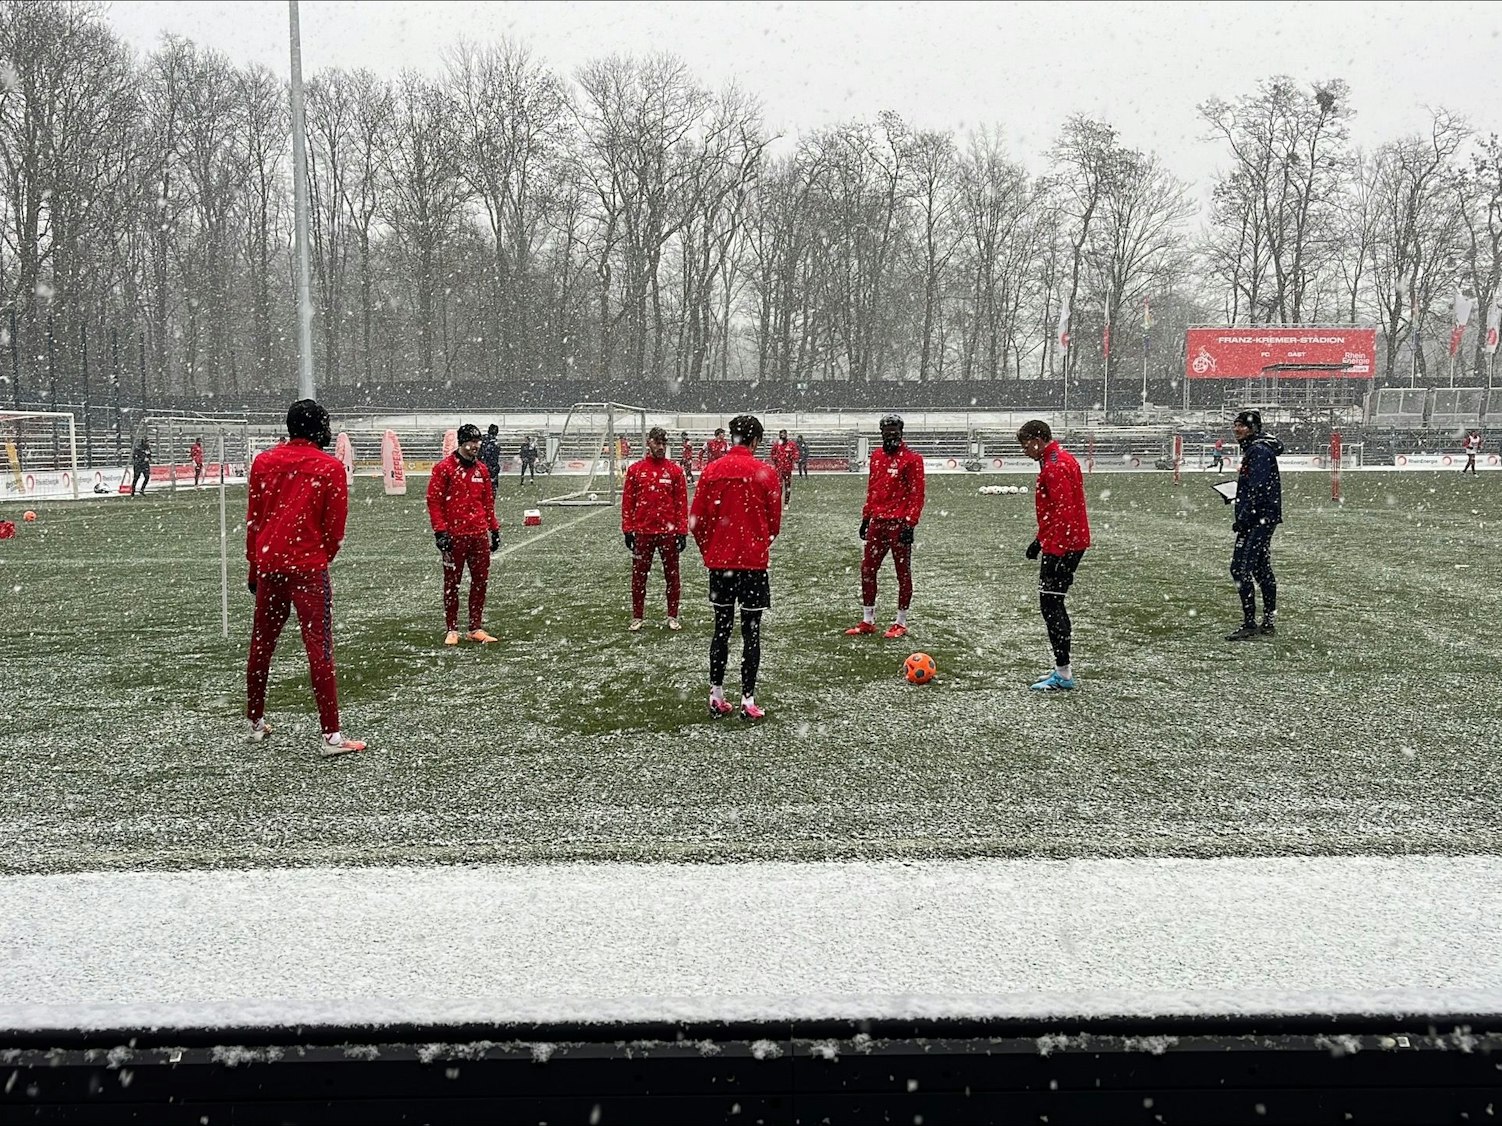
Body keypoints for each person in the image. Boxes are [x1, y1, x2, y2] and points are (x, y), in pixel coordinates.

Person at [244, 399, 366, 755]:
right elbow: (334, 528)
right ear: (319, 428)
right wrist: (318, 556)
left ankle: (255, 721)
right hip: (308, 568)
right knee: (319, 647)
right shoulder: (329, 468)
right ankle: (331, 735)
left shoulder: (264, 462)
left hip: (270, 565)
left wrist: (256, 564)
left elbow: (255, 520)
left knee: (262, 644)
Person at [689, 414, 782, 721]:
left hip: (721, 564)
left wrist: (712, 550)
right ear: (755, 440)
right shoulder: (765, 473)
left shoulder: (712, 470)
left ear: (732, 437)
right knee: (751, 632)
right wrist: (757, 544)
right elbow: (774, 524)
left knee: (721, 629)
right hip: (752, 565)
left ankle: (716, 695)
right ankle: (748, 699)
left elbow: (696, 521)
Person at [1018, 419, 1091, 691]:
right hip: (1066, 541)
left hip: (1063, 545)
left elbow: (1063, 513)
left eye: (1026, 445)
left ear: (1038, 440)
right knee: (1052, 604)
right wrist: (1039, 540)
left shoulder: (1054, 467)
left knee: (1051, 605)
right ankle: (1062, 670)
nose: (1024, 451)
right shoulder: (1060, 459)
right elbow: (1060, 510)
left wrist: (1056, 551)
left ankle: (1063, 674)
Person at [844, 415, 925, 640]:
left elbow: (917, 494)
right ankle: (868, 620)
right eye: (887, 433)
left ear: (901, 433)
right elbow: (873, 489)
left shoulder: (912, 459)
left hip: (899, 524)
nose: (891, 437)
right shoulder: (877, 457)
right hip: (878, 523)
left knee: (902, 573)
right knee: (867, 570)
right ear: (881, 434)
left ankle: (901, 622)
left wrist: (910, 523)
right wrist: (866, 517)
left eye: (895, 433)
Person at [428, 423, 502, 646]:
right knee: (452, 583)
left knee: (480, 581)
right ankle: (452, 629)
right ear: (461, 442)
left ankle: (475, 627)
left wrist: (494, 529)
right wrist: (440, 532)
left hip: (478, 535)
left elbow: (488, 503)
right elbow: (434, 502)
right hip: (454, 536)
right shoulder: (444, 468)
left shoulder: (482, 470)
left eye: (478, 442)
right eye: (471, 442)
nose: (475, 446)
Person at [622, 427, 689, 632]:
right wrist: (628, 529)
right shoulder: (636, 470)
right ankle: (637, 616)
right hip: (643, 532)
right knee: (639, 576)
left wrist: (682, 531)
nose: (661, 447)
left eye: (663, 443)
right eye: (657, 443)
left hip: (668, 533)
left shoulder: (674, 471)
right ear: (649, 443)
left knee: (672, 576)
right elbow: (628, 502)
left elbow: (681, 503)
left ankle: (672, 616)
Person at [1225, 409, 1283, 641]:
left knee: (1240, 569)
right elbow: (1255, 486)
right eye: (1236, 424)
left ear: (1253, 428)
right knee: (1260, 568)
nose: (1236, 429)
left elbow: (1257, 488)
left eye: (1241, 425)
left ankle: (1250, 622)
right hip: (1263, 516)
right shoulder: (1258, 448)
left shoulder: (1257, 451)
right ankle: (1268, 621)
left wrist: (1244, 517)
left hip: (1258, 518)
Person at [770, 428, 798, 505]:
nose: (782, 436)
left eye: (783, 434)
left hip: (787, 469)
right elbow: (772, 454)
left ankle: (786, 502)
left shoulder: (791, 444)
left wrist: (792, 457)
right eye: (781, 434)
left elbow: (795, 454)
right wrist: (776, 458)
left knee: (787, 486)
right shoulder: (776, 445)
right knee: (779, 486)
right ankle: (778, 502)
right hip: (779, 469)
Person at [479, 424, 502, 488]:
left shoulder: (483, 440)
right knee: (491, 486)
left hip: (483, 465)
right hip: (490, 466)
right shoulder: (494, 442)